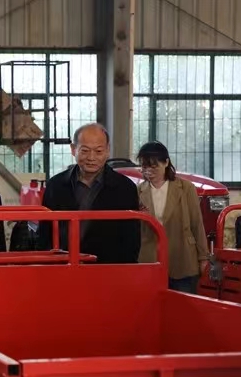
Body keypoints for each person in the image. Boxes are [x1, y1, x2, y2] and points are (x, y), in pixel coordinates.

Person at [37, 123, 140, 263]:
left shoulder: (125, 188)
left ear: (108, 150)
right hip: (63, 266)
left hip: (107, 268)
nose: (91, 158)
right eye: (85, 151)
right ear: (73, 149)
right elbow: (44, 234)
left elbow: (131, 241)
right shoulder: (56, 185)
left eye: (98, 151)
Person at [137, 141, 209, 293]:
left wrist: (203, 257)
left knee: (183, 303)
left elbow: (197, 223)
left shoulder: (185, 188)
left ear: (166, 162)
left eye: (154, 166)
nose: (148, 171)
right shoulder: (139, 190)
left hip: (182, 257)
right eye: (144, 167)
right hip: (150, 258)